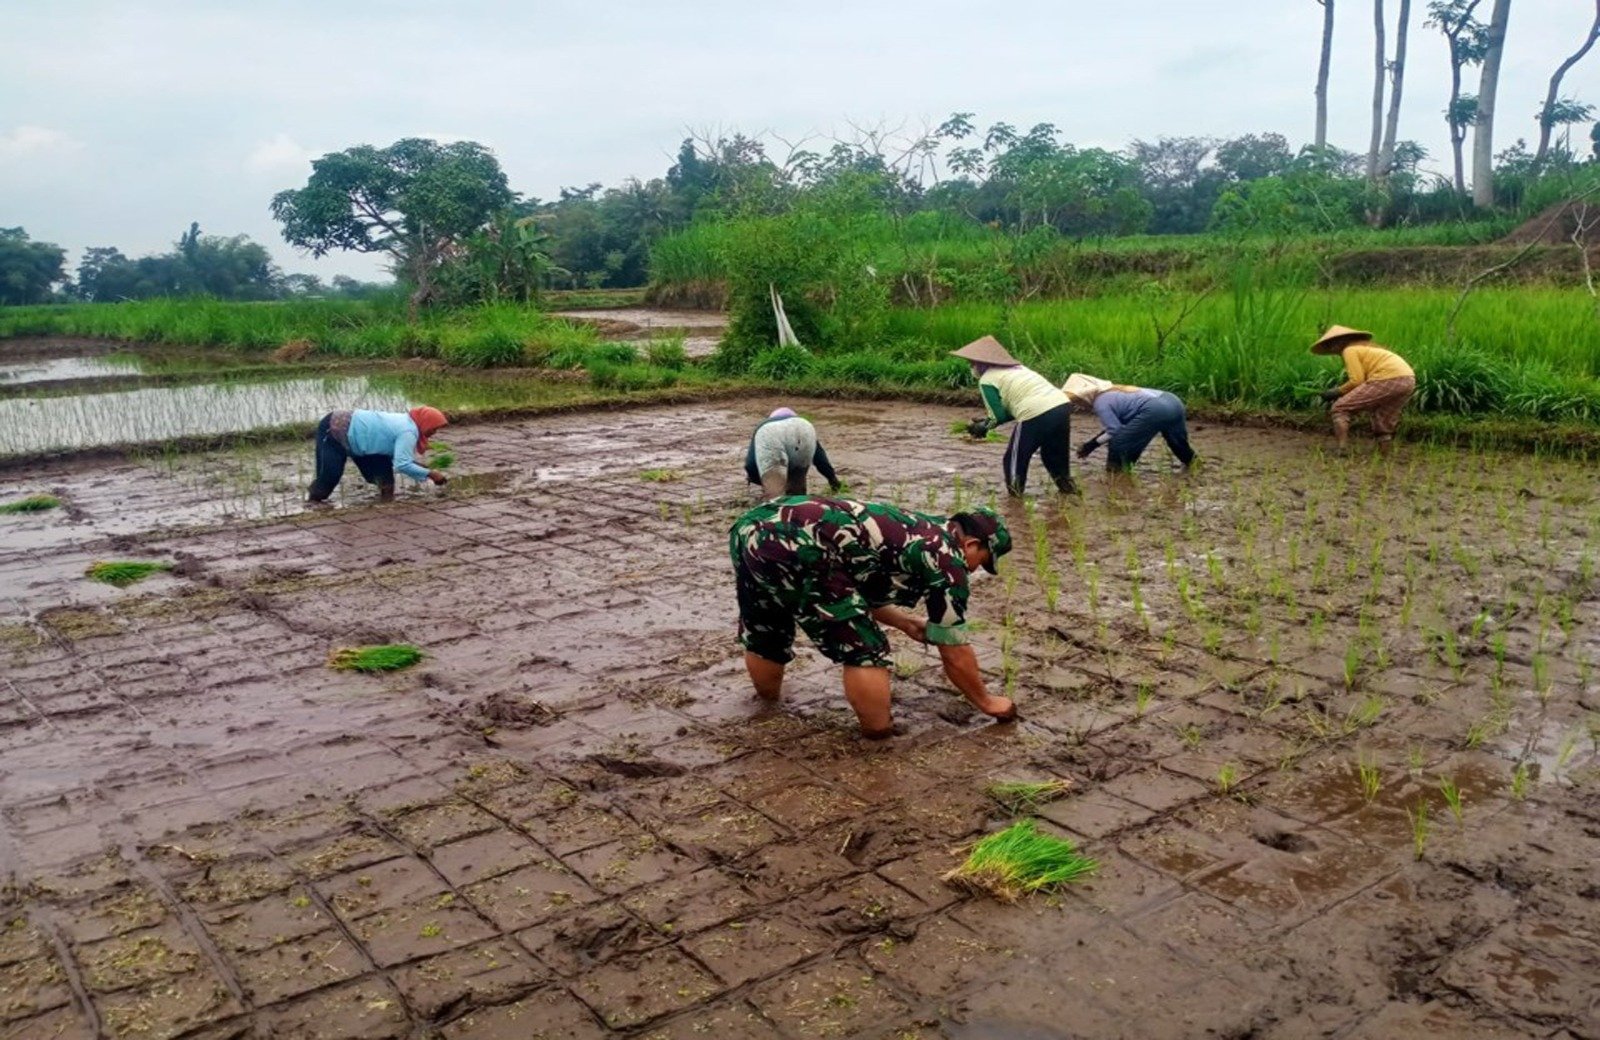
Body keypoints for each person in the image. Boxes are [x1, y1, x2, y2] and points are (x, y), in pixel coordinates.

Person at [729, 495, 1017, 738]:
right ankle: (878, 735)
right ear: (971, 545)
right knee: (866, 648)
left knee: (766, 625)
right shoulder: (948, 560)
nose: (976, 570)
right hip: (802, 544)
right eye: (983, 561)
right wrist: (987, 701)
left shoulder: (919, 527)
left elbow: (856, 589)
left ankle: (767, 706)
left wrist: (904, 623)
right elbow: (954, 650)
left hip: (751, 527)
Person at [952, 335, 1076, 496]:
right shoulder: (1020, 369)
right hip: (1061, 405)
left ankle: (1015, 498)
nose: (971, 367)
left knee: (1014, 458)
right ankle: (1068, 490)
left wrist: (982, 427)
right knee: (1053, 454)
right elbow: (1012, 409)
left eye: (972, 364)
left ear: (982, 363)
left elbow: (997, 416)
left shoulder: (987, 380)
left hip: (1035, 410)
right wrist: (986, 421)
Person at [307, 406, 450, 503]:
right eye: (434, 428)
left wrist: (425, 470)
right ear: (426, 422)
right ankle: (312, 505)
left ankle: (386, 507)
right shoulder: (408, 431)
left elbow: (401, 458)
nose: (434, 432)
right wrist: (431, 474)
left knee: (386, 481)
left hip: (367, 442)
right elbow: (403, 464)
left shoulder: (409, 424)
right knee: (329, 477)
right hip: (335, 428)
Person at [1311, 326, 1416, 453]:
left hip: (1387, 378)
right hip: (1407, 380)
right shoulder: (1368, 349)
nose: (1331, 348)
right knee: (1383, 415)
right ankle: (1384, 454)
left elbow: (1356, 380)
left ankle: (1342, 448)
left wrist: (1336, 392)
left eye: (1331, 344)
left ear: (1341, 342)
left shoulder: (1350, 350)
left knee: (1340, 408)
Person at [1063, 374, 1197, 473]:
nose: (1078, 405)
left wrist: (1091, 445)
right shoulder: (1115, 390)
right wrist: (1091, 445)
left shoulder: (1101, 403)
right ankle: (1193, 464)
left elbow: (1115, 431)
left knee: (1119, 443)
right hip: (1172, 401)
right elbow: (1120, 426)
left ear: (1084, 396)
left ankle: (1117, 476)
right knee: (1177, 442)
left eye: (1077, 401)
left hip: (1154, 409)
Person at [744, 407, 842, 499]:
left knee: (775, 498)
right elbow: (820, 459)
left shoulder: (765, 427)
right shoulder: (800, 423)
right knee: (797, 494)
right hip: (805, 426)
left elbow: (750, 464)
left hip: (771, 433)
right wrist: (833, 479)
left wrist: (760, 479)